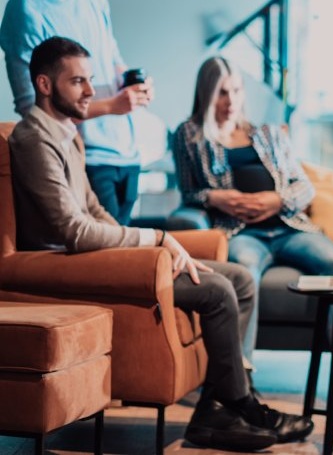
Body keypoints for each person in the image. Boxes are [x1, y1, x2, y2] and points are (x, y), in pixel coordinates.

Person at [9, 36, 313, 451]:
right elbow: (72, 231)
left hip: (84, 254)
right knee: (219, 289)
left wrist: (143, 251)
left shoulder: (67, 133)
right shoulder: (33, 138)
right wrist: (156, 239)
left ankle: (215, 412)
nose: (90, 92)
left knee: (240, 279)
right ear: (44, 85)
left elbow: (96, 212)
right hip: (59, 262)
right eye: (77, 82)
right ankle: (240, 404)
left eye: (90, 80)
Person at [173, 56, 333, 412]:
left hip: (287, 226)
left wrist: (276, 200)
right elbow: (189, 193)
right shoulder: (190, 135)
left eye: (235, 91)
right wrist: (219, 198)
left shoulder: (265, 133)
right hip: (240, 231)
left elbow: (304, 186)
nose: (230, 100)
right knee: (243, 273)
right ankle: (240, 381)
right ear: (205, 94)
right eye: (220, 92)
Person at [0, 0, 153, 225]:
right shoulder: (25, 10)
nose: (89, 90)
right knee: (111, 254)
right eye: (81, 82)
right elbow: (34, 107)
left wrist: (136, 83)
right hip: (87, 155)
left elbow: (113, 59)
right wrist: (111, 106)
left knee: (126, 250)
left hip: (126, 151)